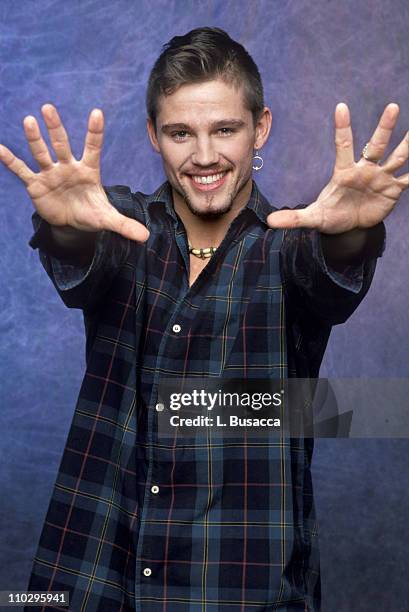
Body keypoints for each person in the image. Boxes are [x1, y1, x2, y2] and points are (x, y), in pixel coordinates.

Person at [1, 26, 407, 612]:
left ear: (259, 128)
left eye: (225, 129)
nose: (205, 156)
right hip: (92, 574)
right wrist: (66, 226)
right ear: (153, 136)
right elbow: (83, 259)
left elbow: (328, 272)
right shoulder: (121, 224)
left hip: (241, 588)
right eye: (180, 133)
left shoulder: (289, 243)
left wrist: (353, 233)